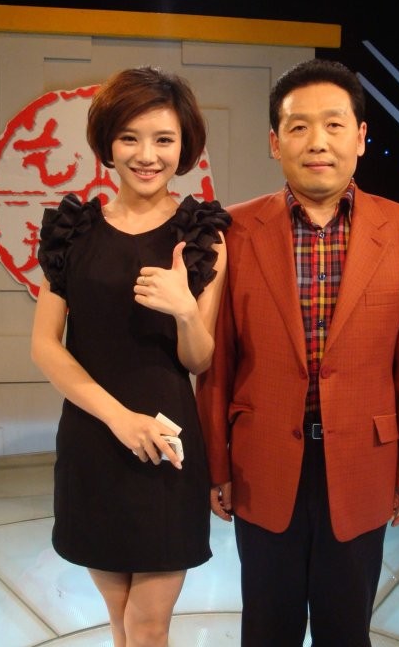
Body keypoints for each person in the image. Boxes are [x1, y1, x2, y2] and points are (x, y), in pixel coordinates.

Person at [196, 59, 399, 646]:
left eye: (333, 124)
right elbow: (219, 362)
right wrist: (215, 464)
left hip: (363, 461)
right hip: (262, 462)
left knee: (346, 630)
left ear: (361, 136)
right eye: (298, 127)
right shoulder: (233, 230)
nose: (317, 142)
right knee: (266, 628)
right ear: (275, 142)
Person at [31, 66, 230, 647]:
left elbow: (199, 359)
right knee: (119, 619)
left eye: (164, 139)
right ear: (108, 144)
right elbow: (45, 344)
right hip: (94, 439)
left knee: (147, 625)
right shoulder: (73, 231)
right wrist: (119, 419)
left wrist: (185, 310)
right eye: (130, 138)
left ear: (185, 146)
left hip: (167, 446)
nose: (147, 155)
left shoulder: (202, 235)